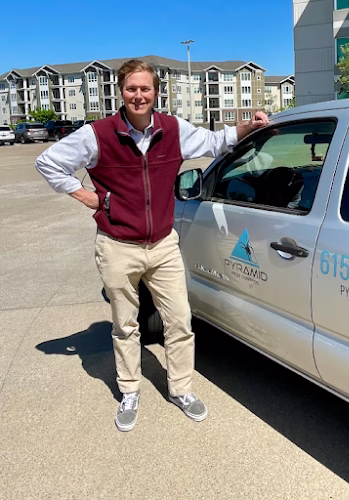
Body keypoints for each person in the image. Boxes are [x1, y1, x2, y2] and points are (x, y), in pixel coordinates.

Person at [35, 59, 269, 432]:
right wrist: (88, 197)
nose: (138, 95)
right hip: (117, 246)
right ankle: (130, 390)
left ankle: (181, 389)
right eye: (131, 88)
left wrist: (248, 127)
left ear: (156, 93)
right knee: (125, 325)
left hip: (163, 245)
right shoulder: (98, 134)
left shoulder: (172, 129)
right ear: (121, 92)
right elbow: (49, 163)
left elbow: (215, 142)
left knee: (179, 320)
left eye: (145, 88)